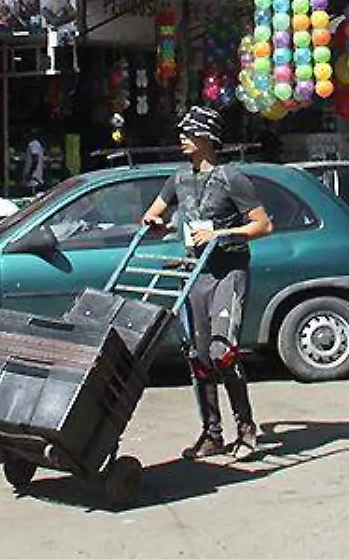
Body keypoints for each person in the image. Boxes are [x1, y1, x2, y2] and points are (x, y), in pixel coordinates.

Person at [141, 106, 274, 460]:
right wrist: (155, 222)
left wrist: (220, 232)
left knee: (222, 352)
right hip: (194, 273)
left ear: (207, 138)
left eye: (189, 133)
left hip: (228, 271)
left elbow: (263, 225)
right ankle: (211, 434)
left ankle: (246, 429)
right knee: (198, 357)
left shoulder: (232, 178)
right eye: (182, 132)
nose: (182, 138)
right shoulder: (179, 178)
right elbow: (157, 212)